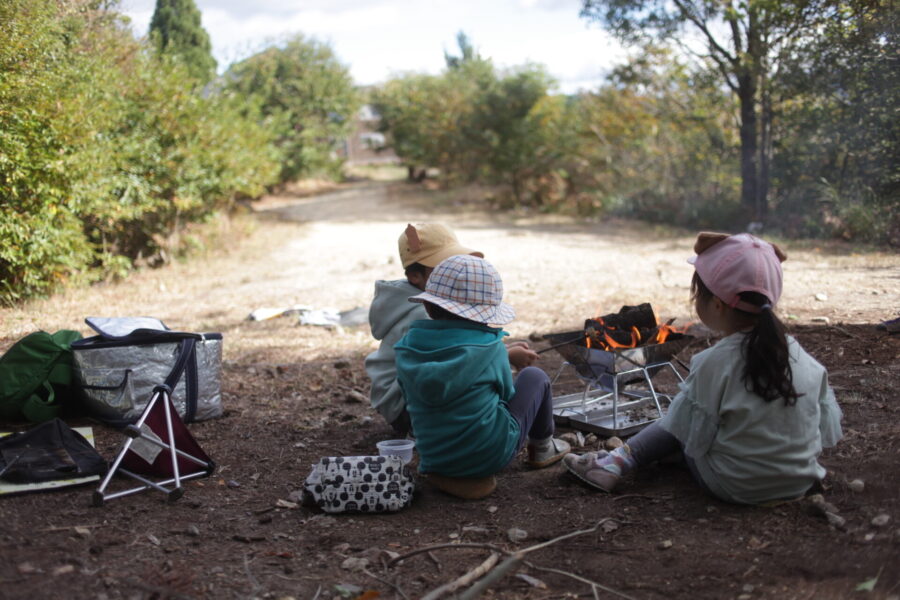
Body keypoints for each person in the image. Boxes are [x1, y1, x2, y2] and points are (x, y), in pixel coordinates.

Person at [564, 232, 843, 504]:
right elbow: (819, 428)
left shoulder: (714, 362)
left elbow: (686, 431)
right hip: (800, 481)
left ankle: (613, 463)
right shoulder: (802, 358)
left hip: (736, 485)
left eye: (697, 293)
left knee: (676, 417)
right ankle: (646, 458)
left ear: (718, 305)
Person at [394, 254, 570, 479]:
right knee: (535, 376)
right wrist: (501, 356)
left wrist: (501, 354)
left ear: (428, 306)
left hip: (434, 457)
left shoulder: (406, 348)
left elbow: (453, 366)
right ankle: (543, 447)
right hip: (490, 456)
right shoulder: (492, 350)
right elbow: (506, 396)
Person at [366, 223, 485, 435]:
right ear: (416, 277)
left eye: (456, 265)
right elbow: (452, 360)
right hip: (405, 408)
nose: (454, 274)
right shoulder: (424, 312)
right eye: (444, 268)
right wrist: (504, 355)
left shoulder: (420, 300)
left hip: (401, 401)